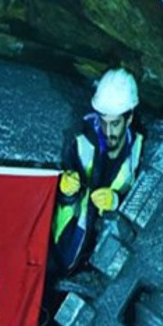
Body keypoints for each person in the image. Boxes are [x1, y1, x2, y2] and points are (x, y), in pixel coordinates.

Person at [51, 68, 144, 274]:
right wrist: (65, 192)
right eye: (104, 122)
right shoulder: (77, 140)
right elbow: (48, 194)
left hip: (103, 251)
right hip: (67, 242)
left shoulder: (137, 148)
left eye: (115, 124)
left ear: (129, 118)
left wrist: (116, 201)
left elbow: (139, 197)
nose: (108, 132)